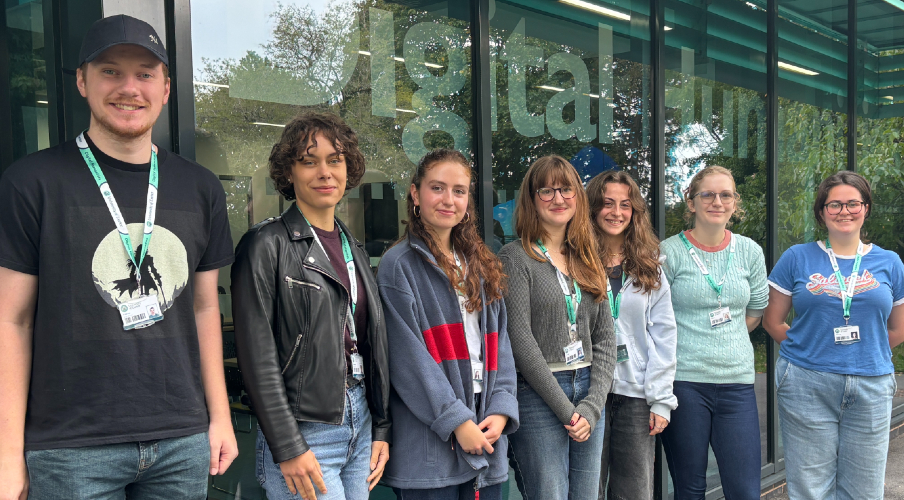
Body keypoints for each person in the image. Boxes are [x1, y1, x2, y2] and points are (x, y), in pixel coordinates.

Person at [0, 15, 238, 500]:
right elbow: (12, 319)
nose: (130, 88)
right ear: (83, 82)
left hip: (181, 438)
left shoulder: (199, 187)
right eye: (111, 71)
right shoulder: (32, 182)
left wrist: (220, 416)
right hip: (69, 446)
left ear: (166, 89)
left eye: (146, 74)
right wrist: (7, 452)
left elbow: (204, 307)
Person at [231, 112, 391, 500]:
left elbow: (371, 343)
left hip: (359, 419)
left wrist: (381, 427)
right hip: (305, 429)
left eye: (334, 160)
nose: (324, 172)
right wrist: (287, 445)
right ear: (289, 172)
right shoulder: (266, 244)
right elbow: (258, 357)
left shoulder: (351, 245)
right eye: (309, 161)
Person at [763, 171, 904, 500]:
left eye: (853, 203)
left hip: (872, 385)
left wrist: (864, 350)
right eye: (834, 204)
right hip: (806, 382)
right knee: (809, 489)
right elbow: (773, 321)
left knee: (864, 488)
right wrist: (811, 350)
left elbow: (901, 328)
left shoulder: (890, 262)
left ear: (866, 208)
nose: (844, 211)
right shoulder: (796, 257)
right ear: (821, 212)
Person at [377, 148, 519, 499]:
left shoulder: (480, 261)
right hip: (431, 439)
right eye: (437, 188)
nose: (448, 200)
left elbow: (500, 345)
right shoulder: (398, 265)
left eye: (459, 191)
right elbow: (407, 359)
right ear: (415, 193)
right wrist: (456, 421)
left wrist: (501, 409)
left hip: (485, 424)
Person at [499, 156, 615, 500]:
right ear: (532, 199)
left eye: (566, 189)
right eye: (546, 191)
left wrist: (592, 406)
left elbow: (607, 339)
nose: (558, 198)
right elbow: (520, 341)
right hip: (539, 395)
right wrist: (568, 411)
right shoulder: (515, 257)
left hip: (590, 391)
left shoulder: (587, 255)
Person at [659, 165, 768, 500]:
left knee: (745, 490)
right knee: (690, 488)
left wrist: (727, 337)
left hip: (736, 384)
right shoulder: (668, 253)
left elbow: (756, 311)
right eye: (707, 194)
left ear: (735, 203)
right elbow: (656, 320)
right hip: (685, 384)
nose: (717, 201)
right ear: (690, 202)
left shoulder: (749, 251)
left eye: (725, 195)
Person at [587, 171, 677, 500]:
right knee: (586, 489)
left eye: (625, 204)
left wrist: (662, 400)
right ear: (593, 208)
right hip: (585, 392)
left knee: (634, 492)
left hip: (636, 395)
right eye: (607, 203)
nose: (616, 212)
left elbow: (665, 335)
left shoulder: (650, 268)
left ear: (635, 212)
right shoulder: (576, 262)